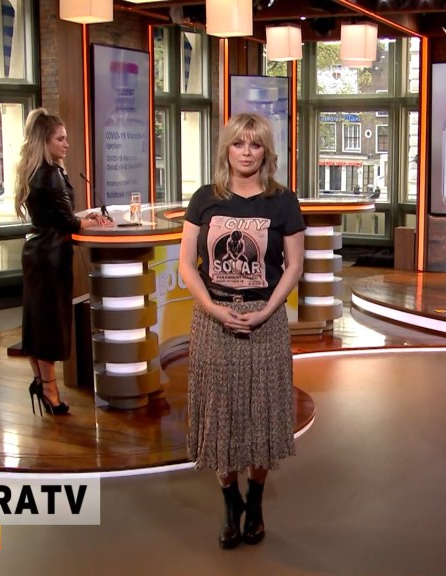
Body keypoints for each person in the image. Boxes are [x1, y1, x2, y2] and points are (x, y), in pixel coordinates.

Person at [178, 113, 305, 550]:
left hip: (264, 321)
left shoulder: (282, 201)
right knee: (222, 414)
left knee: (261, 414)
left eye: (255, 144)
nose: (246, 152)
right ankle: (230, 504)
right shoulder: (204, 199)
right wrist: (214, 309)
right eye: (238, 143)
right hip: (213, 320)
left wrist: (268, 310)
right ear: (226, 149)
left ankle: (256, 501)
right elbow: (186, 266)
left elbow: (294, 266)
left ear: (266, 152)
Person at [14, 108, 110, 416]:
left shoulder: (36, 170)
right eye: (60, 139)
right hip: (50, 258)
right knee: (48, 325)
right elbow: (69, 223)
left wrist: (84, 217)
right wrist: (94, 221)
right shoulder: (49, 174)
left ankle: (40, 382)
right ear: (45, 141)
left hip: (37, 253)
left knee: (36, 323)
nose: (66, 144)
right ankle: (50, 390)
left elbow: (57, 216)